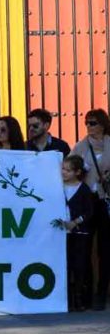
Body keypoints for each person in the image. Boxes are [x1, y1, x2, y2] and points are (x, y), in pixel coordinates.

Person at [71, 109, 110, 310]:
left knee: (105, 249)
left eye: (93, 123)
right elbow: (69, 167)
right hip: (88, 201)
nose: (89, 126)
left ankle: (102, 292)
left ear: (103, 124)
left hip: (106, 202)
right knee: (84, 247)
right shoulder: (81, 146)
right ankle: (84, 294)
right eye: (86, 122)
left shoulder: (109, 143)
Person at [59, 155, 94, 312]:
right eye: (63, 169)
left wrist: (75, 222)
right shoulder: (58, 187)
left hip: (80, 234)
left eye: (68, 170)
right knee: (65, 265)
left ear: (78, 172)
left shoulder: (84, 189)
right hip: (63, 233)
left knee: (79, 265)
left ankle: (80, 298)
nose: (64, 172)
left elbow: (89, 212)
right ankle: (66, 298)